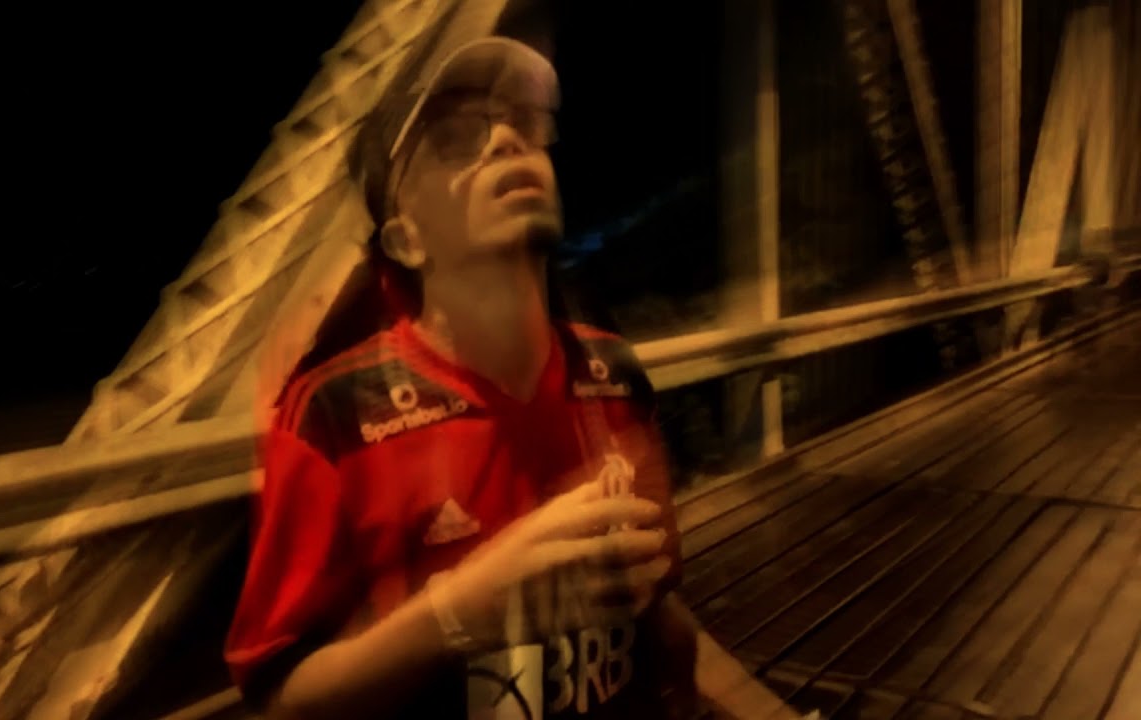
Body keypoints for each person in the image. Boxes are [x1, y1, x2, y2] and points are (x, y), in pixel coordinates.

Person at [224, 35, 815, 720]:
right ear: (407, 241)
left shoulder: (611, 372)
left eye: (525, 126)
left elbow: (655, 610)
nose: (509, 141)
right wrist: (456, 614)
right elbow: (279, 701)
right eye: (455, 142)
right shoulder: (336, 414)